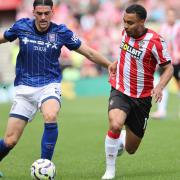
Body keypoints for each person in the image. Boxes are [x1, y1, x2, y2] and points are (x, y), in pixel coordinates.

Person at [0, 0, 113, 176]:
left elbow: (89, 52)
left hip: (49, 85)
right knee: (10, 140)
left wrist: (109, 65)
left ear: (53, 12)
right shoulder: (21, 26)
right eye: (39, 13)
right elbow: (3, 37)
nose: (43, 17)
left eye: (47, 13)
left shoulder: (61, 32)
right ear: (33, 12)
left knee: (51, 115)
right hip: (24, 89)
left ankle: (45, 167)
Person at [102, 4, 174, 179]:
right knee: (115, 123)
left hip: (142, 98)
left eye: (131, 23)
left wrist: (159, 87)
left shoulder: (155, 41)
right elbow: (124, 54)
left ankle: (121, 138)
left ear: (142, 21)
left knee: (131, 149)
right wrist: (115, 64)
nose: (126, 26)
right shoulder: (125, 32)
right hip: (120, 89)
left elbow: (169, 68)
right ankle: (110, 170)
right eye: (124, 22)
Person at [151, 8, 180, 119]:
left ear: (175, 16)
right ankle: (161, 111)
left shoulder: (178, 28)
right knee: (160, 85)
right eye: (168, 15)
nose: (170, 18)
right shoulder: (162, 28)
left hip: (177, 62)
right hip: (165, 62)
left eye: (172, 15)